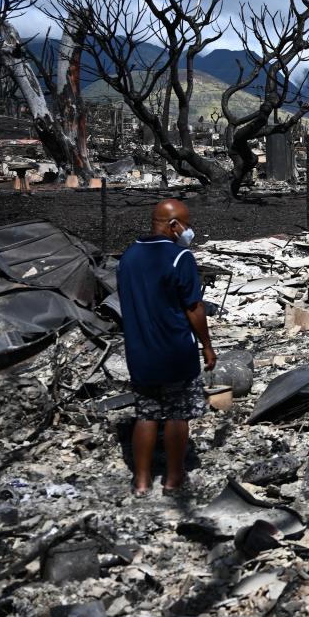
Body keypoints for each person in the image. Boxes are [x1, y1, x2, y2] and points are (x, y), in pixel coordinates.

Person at [117, 199, 216, 494]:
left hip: (140, 351)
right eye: (186, 224)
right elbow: (194, 308)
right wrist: (207, 346)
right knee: (176, 414)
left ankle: (141, 481)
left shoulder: (129, 256)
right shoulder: (178, 257)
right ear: (174, 226)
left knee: (146, 414)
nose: (189, 230)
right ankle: (174, 479)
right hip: (174, 351)